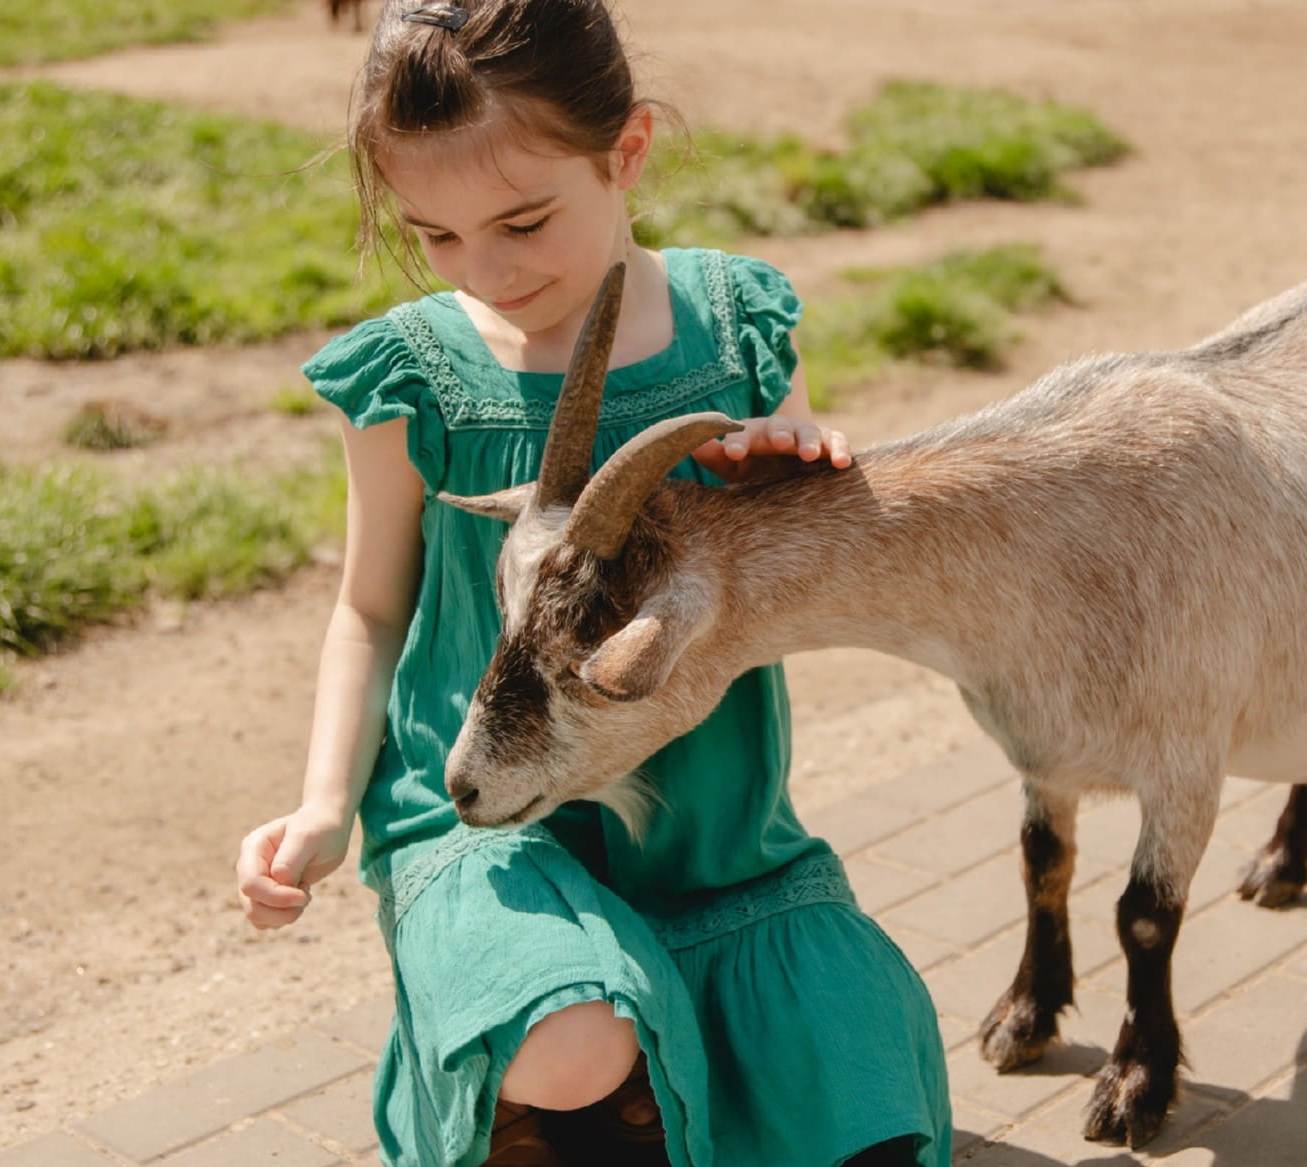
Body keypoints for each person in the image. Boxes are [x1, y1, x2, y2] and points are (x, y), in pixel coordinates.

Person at [233, 2, 952, 1164]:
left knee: (856, 1072)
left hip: (714, 830)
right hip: (486, 821)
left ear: (627, 151)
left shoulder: (738, 326)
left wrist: (788, 473)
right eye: (440, 235)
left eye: (522, 220)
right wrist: (323, 806)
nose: (489, 271)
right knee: (573, 1042)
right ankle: (536, 1094)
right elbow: (368, 609)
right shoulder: (412, 373)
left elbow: (801, 567)